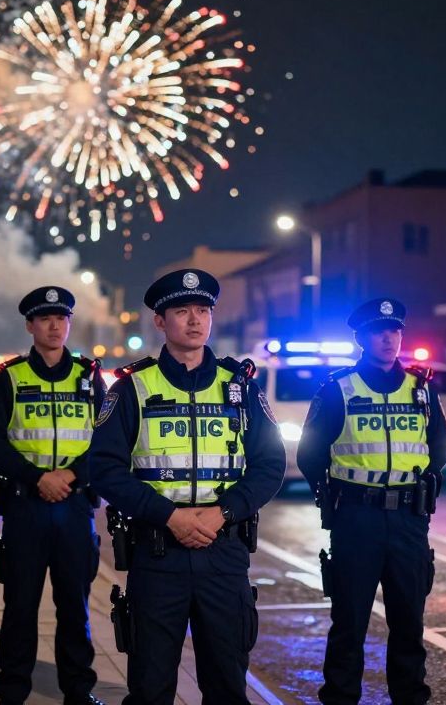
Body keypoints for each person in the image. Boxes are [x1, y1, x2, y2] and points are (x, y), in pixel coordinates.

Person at [90, 269, 286, 705]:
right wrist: (170, 516)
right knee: (151, 686)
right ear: (160, 321)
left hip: (224, 553)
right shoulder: (131, 388)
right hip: (158, 555)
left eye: (203, 310)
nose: (195, 320)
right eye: (182, 311)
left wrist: (223, 513)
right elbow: (104, 468)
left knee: (227, 685)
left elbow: (270, 466)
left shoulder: (240, 387)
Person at [297, 298, 446, 705]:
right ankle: (341, 698)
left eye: (395, 331)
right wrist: (334, 494)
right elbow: (310, 455)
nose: (389, 338)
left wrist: (413, 481)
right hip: (356, 518)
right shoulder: (339, 388)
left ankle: (410, 698)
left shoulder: (421, 388)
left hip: (408, 519)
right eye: (380, 332)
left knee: (408, 624)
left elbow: (440, 448)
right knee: (348, 623)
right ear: (362, 338)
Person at [0, 286, 107, 705]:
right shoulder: (9, 376)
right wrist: (37, 478)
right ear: (30, 325)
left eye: (62, 318)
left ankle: (78, 691)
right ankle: (13, 690)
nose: (55, 326)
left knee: (75, 607)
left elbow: (109, 442)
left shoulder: (89, 376)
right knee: (19, 607)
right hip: (25, 506)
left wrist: (70, 475)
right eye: (45, 319)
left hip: (74, 507)